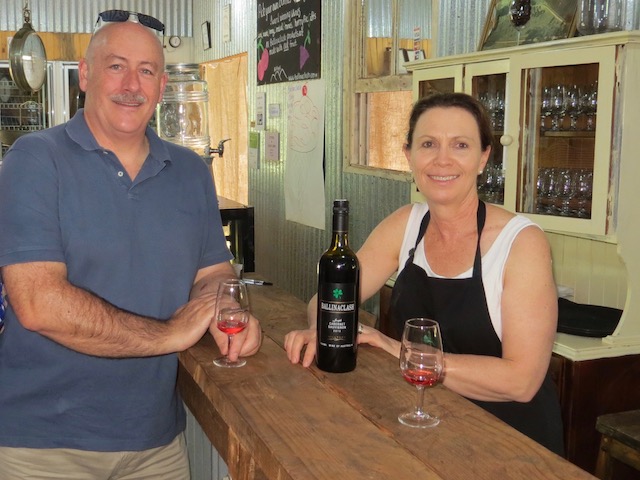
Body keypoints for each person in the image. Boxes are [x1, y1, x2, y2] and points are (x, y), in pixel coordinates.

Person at [0, 12, 262, 479]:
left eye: (146, 71)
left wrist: (225, 311)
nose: (132, 84)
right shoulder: (35, 159)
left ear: (161, 86)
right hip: (44, 445)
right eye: (116, 66)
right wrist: (169, 333)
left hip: (155, 443)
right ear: (85, 74)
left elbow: (214, 273)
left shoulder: (190, 171)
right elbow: (38, 303)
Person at [285, 92, 564, 455]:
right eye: (428, 144)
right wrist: (320, 327)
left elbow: (521, 381)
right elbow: (331, 300)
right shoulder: (406, 224)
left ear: (483, 158)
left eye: (460, 145)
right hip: (428, 425)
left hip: (511, 443)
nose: (442, 160)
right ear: (409, 156)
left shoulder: (521, 243)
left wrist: (400, 352)